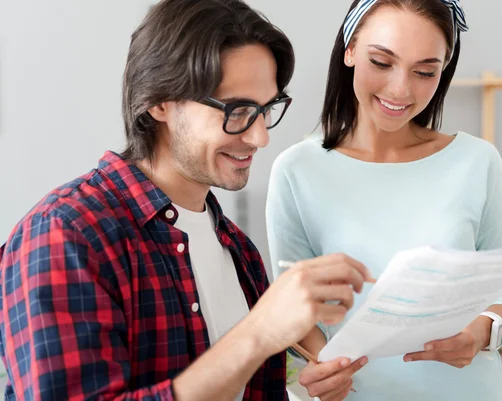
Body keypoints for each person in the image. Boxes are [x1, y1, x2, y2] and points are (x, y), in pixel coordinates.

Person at [0, 1, 372, 400]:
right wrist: (257, 333)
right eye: (238, 110)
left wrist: (305, 380)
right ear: (160, 100)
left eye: (266, 109)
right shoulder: (64, 234)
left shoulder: (238, 251)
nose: (261, 136)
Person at [266, 0, 502, 400]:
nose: (401, 89)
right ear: (350, 50)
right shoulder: (296, 170)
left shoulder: (477, 161)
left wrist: (481, 330)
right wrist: (323, 368)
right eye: (382, 62)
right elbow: (297, 305)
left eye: (424, 72)